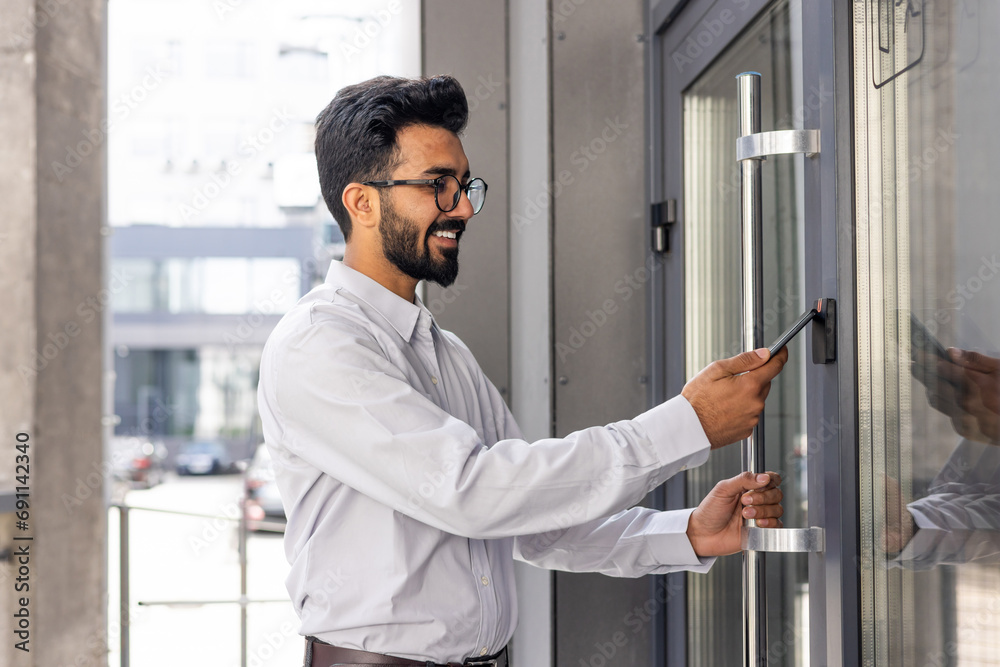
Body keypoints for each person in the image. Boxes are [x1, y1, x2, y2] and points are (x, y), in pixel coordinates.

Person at [257, 74, 789, 667]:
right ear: (363, 202)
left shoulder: (445, 352)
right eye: (437, 185)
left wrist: (689, 532)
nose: (461, 207)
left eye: (464, 185)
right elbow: (473, 492)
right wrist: (686, 424)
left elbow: (530, 520)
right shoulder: (319, 344)